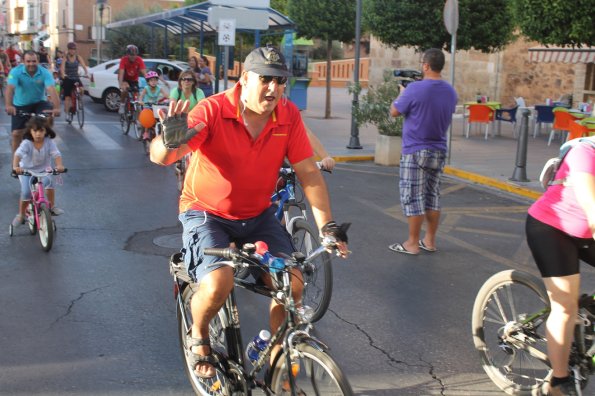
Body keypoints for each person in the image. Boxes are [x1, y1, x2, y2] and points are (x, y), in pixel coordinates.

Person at [150, 45, 349, 378]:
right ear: (245, 78)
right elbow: (163, 157)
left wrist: (327, 225)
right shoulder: (211, 110)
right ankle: (199, 334)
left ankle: (277, 359)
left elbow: (308, 173)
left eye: (280, 81)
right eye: (266, 80)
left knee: (293, 283)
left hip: (257, 215)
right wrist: (168, 141)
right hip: (207, 213)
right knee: (218, 281)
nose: (274, 89)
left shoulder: (287, 115)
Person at [525, 139, 595, 396]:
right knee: (565, 306)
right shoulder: (584, 153)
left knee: (576, 305)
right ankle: (557, 381)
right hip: (551, 228)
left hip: (584, 232)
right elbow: (592, 209)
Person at [388, 48, 457, 255]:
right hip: (439, 149)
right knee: (432, 196)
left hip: (415, 149)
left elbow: (394, 111)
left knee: (413, 196)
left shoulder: (414, 89)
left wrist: (401, 93)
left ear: (426, 65)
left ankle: (411, 243)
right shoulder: (450, 91)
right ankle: (430, 241)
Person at [11, 116, 65, 227]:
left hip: (43, 170)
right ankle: (21, 215)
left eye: (41, 131)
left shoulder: (49, 142)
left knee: (49, 184)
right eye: (35, 131)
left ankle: (52, 207)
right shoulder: (27, 143)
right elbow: (17, 155)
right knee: (26, 192)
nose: (38, 134)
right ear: (30, 131)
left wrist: (59, 165)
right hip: (26, 171)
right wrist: (16, 167)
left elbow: (56, 154)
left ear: (46, 131)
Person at [5, 50, 61, 154]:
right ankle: (15, 166)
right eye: (28, 61)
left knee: (48, 116)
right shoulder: (16, 72)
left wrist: (57, 108)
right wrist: (9, 105)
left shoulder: (44, 72)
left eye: (34, 61)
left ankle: (46, 138)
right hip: (21, 104)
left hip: (39, 103)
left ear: (38, 61)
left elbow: (51, 90)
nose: (31, 64)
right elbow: (9, 89)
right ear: (23, 61)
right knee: (16, 134)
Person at [118, 44, 146, 114]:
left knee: (136, 95)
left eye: (135, 55)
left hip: (134, 80)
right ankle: (122, 104)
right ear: (127, 54)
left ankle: (135, 113)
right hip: (125, 79)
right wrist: (120, 84)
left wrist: (150, 82)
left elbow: (144, 73)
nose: (133, 56)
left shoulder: (139, 60)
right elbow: (121, 73)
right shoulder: (124, 60)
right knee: (125, 89)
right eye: (131, 55)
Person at [60, 42, 88, 114]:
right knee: (67, 97)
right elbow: (62, 68)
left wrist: (86, 73)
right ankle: (67, 113)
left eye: (74, 49)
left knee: (81, 89)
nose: (72, 51)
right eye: (71, 49)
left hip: (75, 77)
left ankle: (79, 100)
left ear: (75, 50)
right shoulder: (65, 58)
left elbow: (84, 65)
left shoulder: (78, 57)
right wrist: (63, 74)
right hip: (68, 78)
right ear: (68, 50)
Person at [138, 70, 167, 140]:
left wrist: (170, 99)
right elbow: (141, 96)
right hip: (147, 106)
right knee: (147, 119)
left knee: (161, 116)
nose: (153, 82)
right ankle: (146, 132)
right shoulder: (146, 88)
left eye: (155, 80)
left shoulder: (159, 88)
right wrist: (140, 101)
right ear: (148, 82)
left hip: (155, 106)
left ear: (157, 81)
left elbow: (166, 95)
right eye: (151, 80)